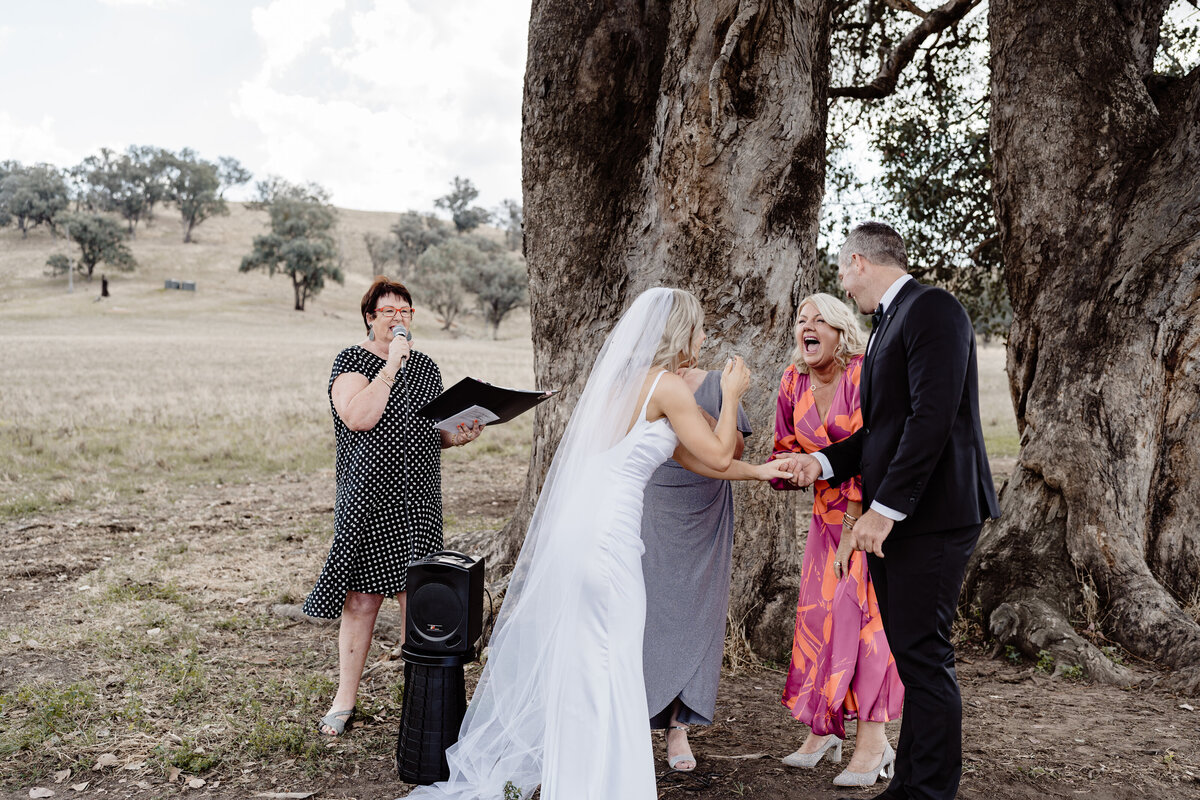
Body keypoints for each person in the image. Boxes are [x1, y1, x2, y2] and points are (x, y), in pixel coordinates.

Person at [407, 287, 791, 800]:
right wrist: (734, 394)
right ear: (682, 333)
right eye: (699, 328)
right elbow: (719, 454)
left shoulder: (625, 386)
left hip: (579, 539)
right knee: (612, 662)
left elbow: (693, 460)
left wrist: (762, 472)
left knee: (588, 663)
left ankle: (585, 781)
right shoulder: (671, 387)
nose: (703, 338)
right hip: (608, 545)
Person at [784, 222, 1001, 800]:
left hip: (933, 515)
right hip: (904, 520)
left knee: (925, 657)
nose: (842, 283)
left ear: (857, 261)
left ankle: (929, 791)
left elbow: (932, 418)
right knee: (911, 653)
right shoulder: (889, 323)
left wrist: (882, 512)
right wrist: (823, 464)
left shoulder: (933, 309)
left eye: (841, 270)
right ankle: (908, 784)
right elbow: (883, 429)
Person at [304, 276, 485, 737]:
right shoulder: (351, 362)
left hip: (418, 500)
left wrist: (458, 434)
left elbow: (432, 430)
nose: (398, 319)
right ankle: (345, 699)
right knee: (362, 601)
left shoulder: (426, 368)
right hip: (369, 500)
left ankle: (418, 701)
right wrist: (389, 367)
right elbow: (359, 418)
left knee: (418, 601)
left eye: (405, 312)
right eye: (388, 312)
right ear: (370, 317)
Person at [769, 293, 904, 787]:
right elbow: (785, 450)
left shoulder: (862, 374)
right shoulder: (792, 380)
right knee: (820, 619)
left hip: (870, 519)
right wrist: (775, 471)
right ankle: (823, 729)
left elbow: (878, 448)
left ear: (841, 330)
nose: (807, 327)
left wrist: (852, 525)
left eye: (819, 319)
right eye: (801, 320)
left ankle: (875, 742)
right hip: (823, 523)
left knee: (865, 624)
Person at [641, 365, 752, 773]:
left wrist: (705, 414)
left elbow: (734, 452)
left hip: (706, 506)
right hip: (654, 503)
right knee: (650, 612)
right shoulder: (644, 380)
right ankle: (635, 714)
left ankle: (677, 726)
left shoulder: (715, 383)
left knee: (695, 612)